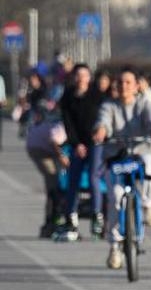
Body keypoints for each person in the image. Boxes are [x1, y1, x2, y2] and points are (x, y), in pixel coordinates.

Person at [93, 67, 151, 271]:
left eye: (128, 82)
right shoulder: (109, 105)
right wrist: (101, 131)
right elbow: (103, 122)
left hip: (143, 150)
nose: (124, 86)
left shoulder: (144, 104)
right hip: (117, 156)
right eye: (120, 82)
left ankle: (149, 204)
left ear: (136, 86)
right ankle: (115, 246)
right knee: (116, 198)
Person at [57, 63, 104, 237]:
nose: (81, 78)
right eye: (78, 75)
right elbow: (67, 122)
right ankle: (71, 215)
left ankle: (96, 214)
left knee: (93, 176)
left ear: (89, 77)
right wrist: (76, 144)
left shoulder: (96, 95)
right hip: (77, 144)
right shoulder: (68, 96)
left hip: (95, 142)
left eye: (84, 75)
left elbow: (102, 118)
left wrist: (96, 137)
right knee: (73, 178)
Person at [22, 94, 66, 237]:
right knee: (53, 183)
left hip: (41, 146)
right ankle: (50, 222)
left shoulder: (58, 117)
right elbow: (54, 139)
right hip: (40, 149)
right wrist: (62, 157)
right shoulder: (63, 122)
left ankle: (52, 219)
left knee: (56, 183)